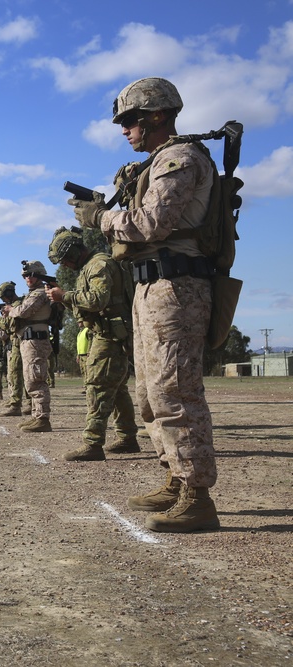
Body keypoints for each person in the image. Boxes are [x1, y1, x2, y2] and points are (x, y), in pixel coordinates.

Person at [69, 77, 218, 532]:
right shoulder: (156, 162)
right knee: (150, 394)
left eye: (130, 120)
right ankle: (175, 476)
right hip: (152, 287)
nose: (124, 130)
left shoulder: (179, 159)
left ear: (157, 116)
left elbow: (150, 222)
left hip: (177, 287)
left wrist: (100, 217)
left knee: (175, 390)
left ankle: (197, 496)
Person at [46, 226, 139, 461]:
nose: (64, 265)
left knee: (97, 386)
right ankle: (128, 438)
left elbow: (98, 300)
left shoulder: (98, 265)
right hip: (109, 334)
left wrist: (65, 296)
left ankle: (93, 443)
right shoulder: (90, 266)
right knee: (117, 389)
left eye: (65, 260)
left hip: (109, 336)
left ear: (75, 251)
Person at [1, 261, 53, 432]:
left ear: (39, 274)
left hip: (36, 341)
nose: (27, 278)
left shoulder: (40, 293)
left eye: (30, 275)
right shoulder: (34, 293)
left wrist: (10, 310)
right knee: (31, 380)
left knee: (36, 380)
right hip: (29, 340)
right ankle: (36, 416)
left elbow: (24, 311)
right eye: (25, 276)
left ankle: (42, 419)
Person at [0, 281, 27, 417]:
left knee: (16, 373)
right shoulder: (16, 305)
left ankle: (16, 405)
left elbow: (7, 325)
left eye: (3, 297)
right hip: (16, 342)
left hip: (18, 341)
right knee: (20, 374)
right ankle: (28, 403)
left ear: (9, 294)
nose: (3, 300)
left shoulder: (17, 306)